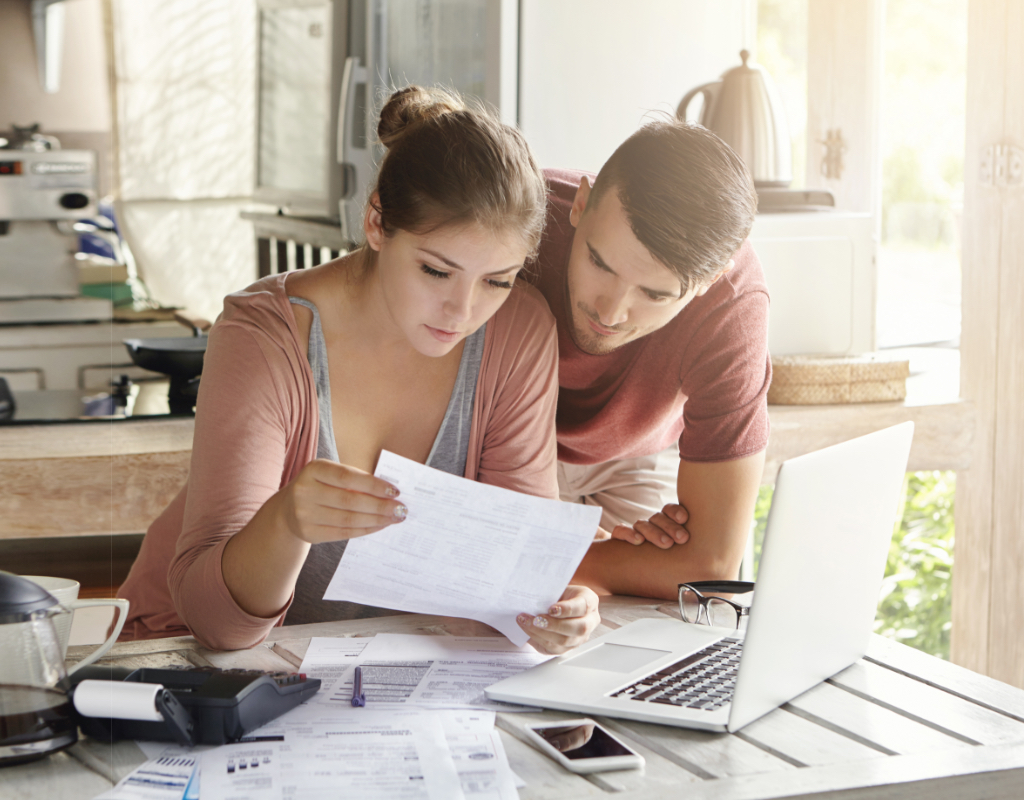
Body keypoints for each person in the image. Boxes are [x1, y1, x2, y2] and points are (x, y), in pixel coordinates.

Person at [117, 86, 600, 655]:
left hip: (375, 670)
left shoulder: (519, 330)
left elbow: (507, 580)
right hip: (187, 658)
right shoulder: (263, 336)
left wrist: (552, 608)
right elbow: (218, 627)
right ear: (376, 223)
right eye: (436, 271)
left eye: (496, 280)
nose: (462, 311)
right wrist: (285, 523)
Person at [528, 120, 770, 601]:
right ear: (580, 204)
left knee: (658, 621)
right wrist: (589, 559)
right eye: (599, 263)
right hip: (505, 444)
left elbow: (711, 568)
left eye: (655, 294)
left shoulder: (733, 305)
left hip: (635, 456)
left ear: (709, 282)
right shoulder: (518, 216)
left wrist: (543, 555)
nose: (609, 312)